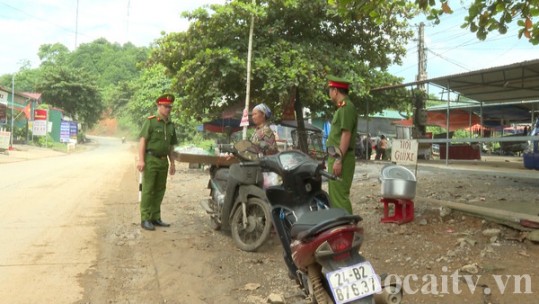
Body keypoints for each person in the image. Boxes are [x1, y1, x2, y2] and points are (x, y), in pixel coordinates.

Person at [137, 93, 178, 231]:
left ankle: (155, 217)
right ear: (158, 106)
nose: (168, 109)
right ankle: (145, 218)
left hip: (163, 161)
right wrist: (141, 160)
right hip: (151, 159)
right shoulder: (151, 121)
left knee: (160, 190)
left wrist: (172, 163)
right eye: (165, 106)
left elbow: (171, 147)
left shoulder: (171, 125)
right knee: (148, 189)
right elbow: (143, 140)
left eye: (170, 107)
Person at [326, 75, 358, 214]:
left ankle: (349, 229)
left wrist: (338, 160)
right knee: (335, 194)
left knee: (340, 195)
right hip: (337, 156)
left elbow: (346, 134)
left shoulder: (346, 108)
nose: (329, 93)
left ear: (335, 91)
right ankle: (341, 227)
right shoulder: (342, 108)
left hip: (341, 157)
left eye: (330, 89)